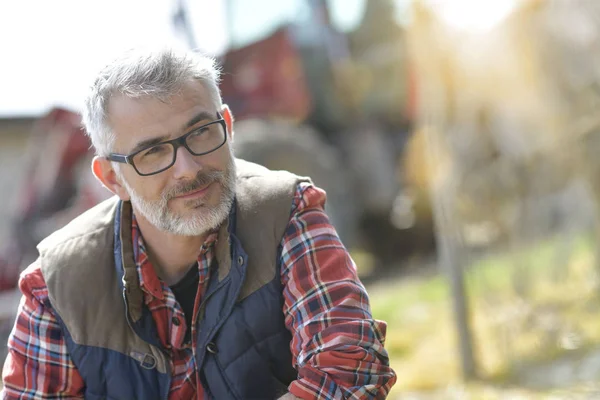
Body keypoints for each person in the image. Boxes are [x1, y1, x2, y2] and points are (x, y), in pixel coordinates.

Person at [1, 48, 396, 399]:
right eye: (153, 152)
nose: (188, 170)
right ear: (112, 179)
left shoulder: (285, 211)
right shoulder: (54, 285)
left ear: (228, 125)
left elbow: (348, 370)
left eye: (202, 132)